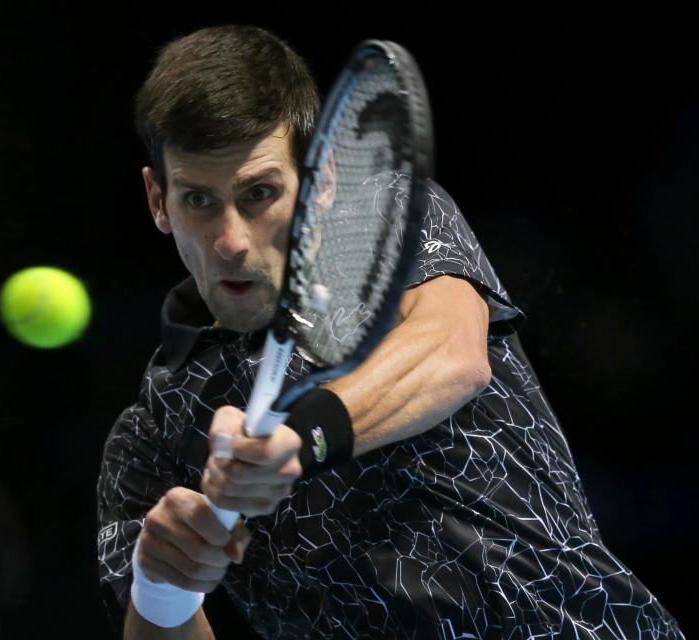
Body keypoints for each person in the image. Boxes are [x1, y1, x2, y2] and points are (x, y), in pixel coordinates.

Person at [96, 25, 684, 640]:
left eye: (260, 192)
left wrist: (299, 442)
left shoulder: (381, 228)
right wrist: (162, 588)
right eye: (199, 201)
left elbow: (453, 355)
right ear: (157, 200)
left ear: (320, 180)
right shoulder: (149, 438)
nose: (231, 240)